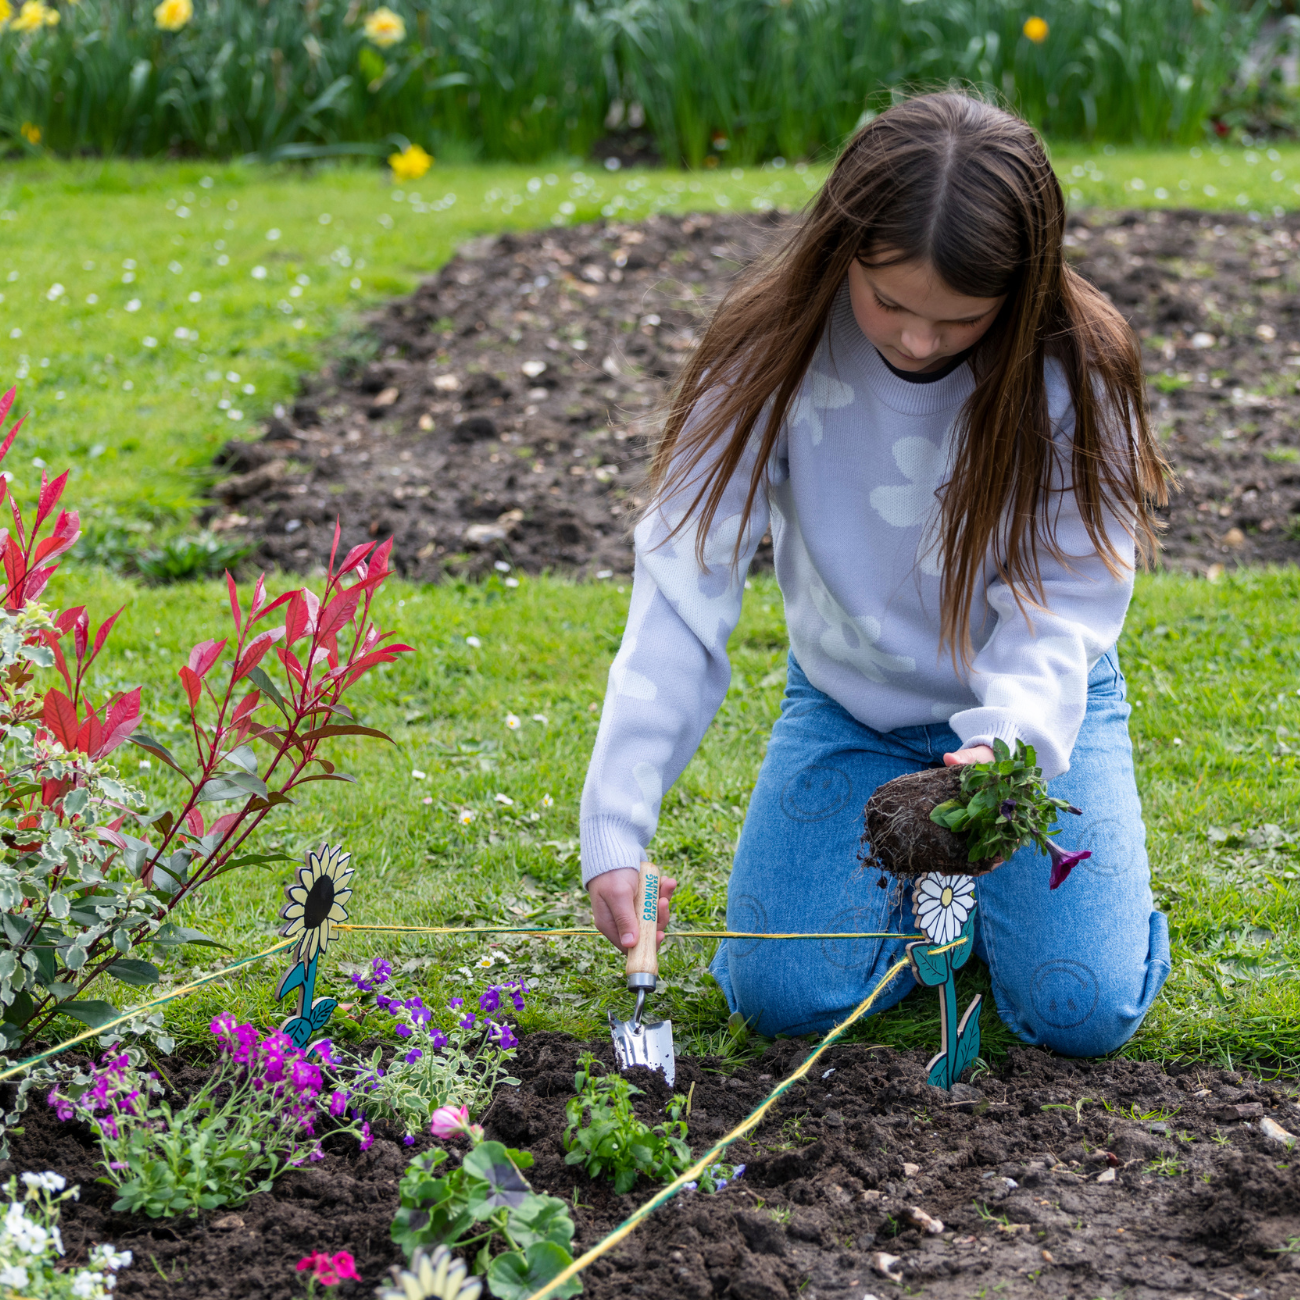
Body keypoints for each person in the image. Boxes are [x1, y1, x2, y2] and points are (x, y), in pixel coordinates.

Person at [578, 91, 1171, 1057]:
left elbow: (1063, 602)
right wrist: (617, 821)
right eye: (888, 301)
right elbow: (682, 588)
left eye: (963, 318)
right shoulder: (770, 351)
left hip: (1032, 724)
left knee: (1081, 1011)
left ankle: (1033, 905)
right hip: (852, 711)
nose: (918, 341)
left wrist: (1010, 745)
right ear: (840, 247)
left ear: (1019, 294)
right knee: (777, 997)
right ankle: (930, 911)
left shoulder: (1075, 369)